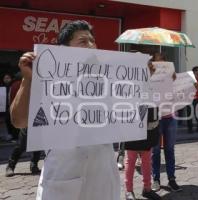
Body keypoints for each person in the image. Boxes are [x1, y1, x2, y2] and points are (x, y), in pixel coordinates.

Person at [10, 20, 120, 200]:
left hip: (103, 176)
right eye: (83, 42)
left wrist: (143, 79)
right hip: (63, 177)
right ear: (64, 49)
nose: (91, 45)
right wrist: (28, 80)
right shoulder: (45, 78)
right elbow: (19, 121)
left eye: (92, 41)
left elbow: (129, 118)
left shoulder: (111, 78)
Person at [123, 54, 162, 200]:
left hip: (150, 125)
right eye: (148, 63)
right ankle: (128, 190)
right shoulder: (129, 80)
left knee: (147, 159)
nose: (151, 65)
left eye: (150, 62)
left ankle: (147, 188)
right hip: (133, 124)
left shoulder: (154, 80)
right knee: (131, 159)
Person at [151, 53, 182, 192]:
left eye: (162, 60)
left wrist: (175, 79)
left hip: (170, 116)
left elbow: (180, 90)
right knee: (155, 150)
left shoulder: (171, 74)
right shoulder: (149, 74)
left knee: (169, 149)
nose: (160, 63)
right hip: (155, 117)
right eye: (157, 61)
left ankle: (171, 179)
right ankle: (155, 179)